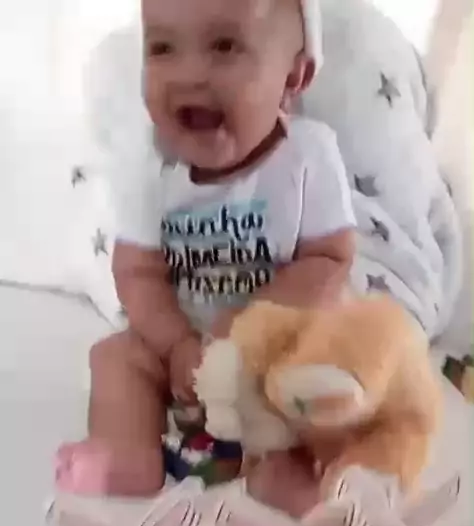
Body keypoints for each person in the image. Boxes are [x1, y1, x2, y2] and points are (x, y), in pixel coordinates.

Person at [56, 0, 355, 499]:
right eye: (162, 48)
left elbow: (329, 258)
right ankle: (126, 455)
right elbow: (137, 271)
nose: (189, 74)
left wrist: (247, 331)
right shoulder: (149, 166)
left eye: (224, 45)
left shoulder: (308, 154)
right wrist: (176, 344)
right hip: (183, 346)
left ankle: (289, 470)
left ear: (293, 77)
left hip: (277, 341)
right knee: (117, 359)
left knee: (321, 374)